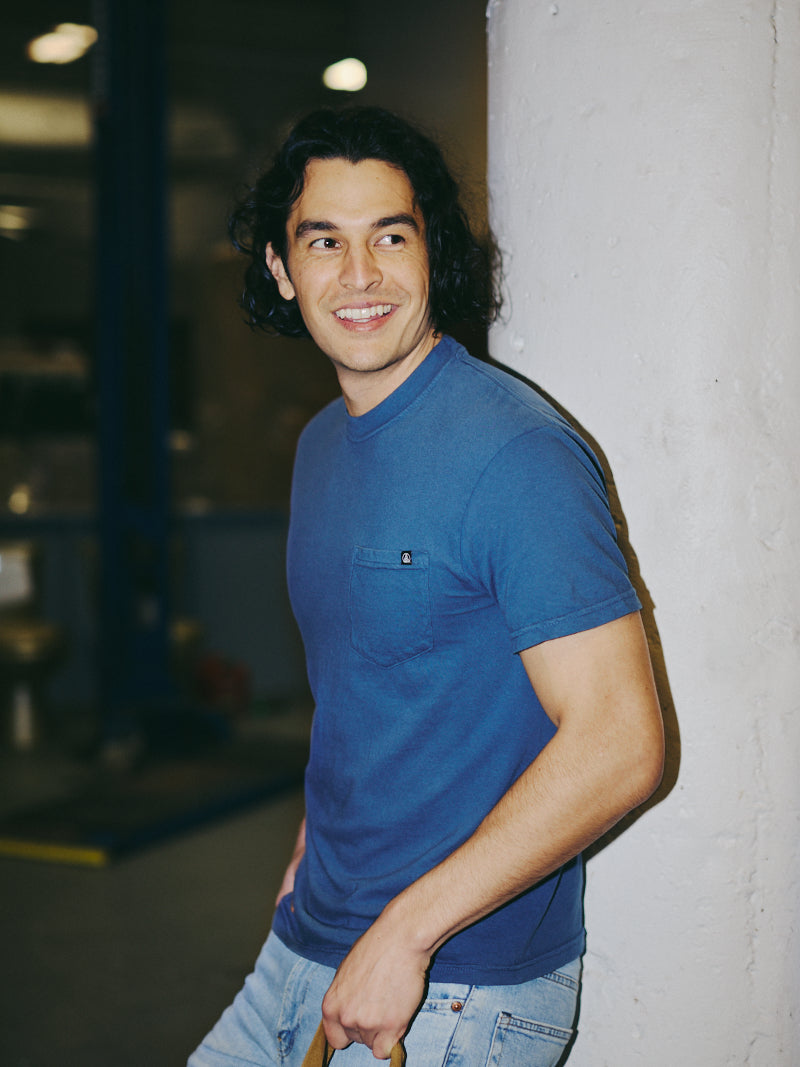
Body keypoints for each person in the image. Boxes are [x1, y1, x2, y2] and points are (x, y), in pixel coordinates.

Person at [189, 106, 664, 1067]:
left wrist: (404, 934)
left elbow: (621, 741)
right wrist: (309, 855)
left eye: (389, 237)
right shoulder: (321, 446)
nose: (359, 275)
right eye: (324, 241)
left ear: (429, 253)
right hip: (308, 939)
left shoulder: (516, 452)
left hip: (453, 982)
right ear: (283, 271)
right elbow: (362, 688)